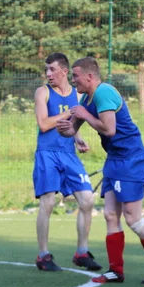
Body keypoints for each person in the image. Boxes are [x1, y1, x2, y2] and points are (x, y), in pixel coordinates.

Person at [56, 56, 144, 284]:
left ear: (89, 76)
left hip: (131, 159)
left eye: (75, 75)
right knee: (110, 215)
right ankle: (115, 271)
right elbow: (72, 129)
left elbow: (109, 129)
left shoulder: (104, 92)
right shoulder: (86, 99)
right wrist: (65, 129)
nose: (73, 79)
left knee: (133, 219)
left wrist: (83, 115)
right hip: (115, 160)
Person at [33, 53, 101, 272]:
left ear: (64, 71)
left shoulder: (76, 96)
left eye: (52, 69)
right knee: (48, 202)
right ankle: (43, 255)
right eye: (46, 70)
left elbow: (73, 125)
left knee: (87, 200)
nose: (48, 74)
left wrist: (78, 137)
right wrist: (68, 116)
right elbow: (43, 124)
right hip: (47, 153)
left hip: (68, 154)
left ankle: (81, 252)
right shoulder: (43, 92)